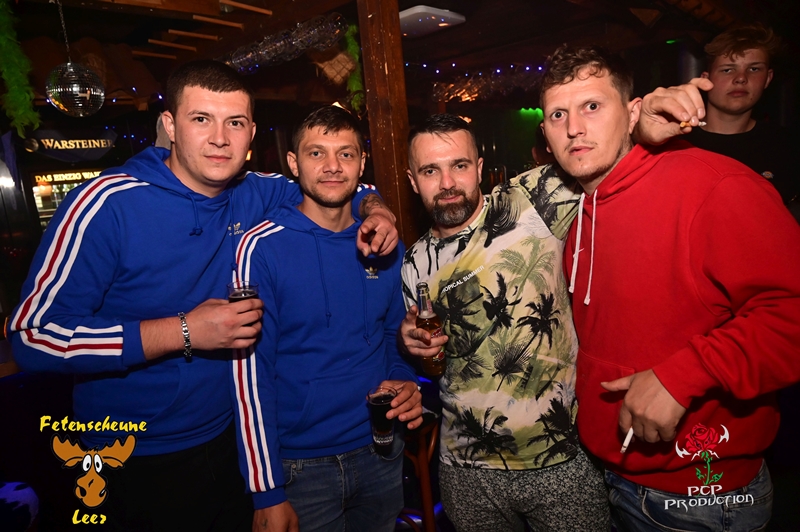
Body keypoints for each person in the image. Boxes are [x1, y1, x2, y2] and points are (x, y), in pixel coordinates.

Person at [5, 60, 398, 531]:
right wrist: (183, 331)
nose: (219, 139)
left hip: (230, 443)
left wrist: (379, 211)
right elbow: (31, 336)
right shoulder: (107, 204)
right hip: (130, 454)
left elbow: (340, 183)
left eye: (235, 123)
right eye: (201, 119)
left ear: (251, 133)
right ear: (170, 125)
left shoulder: (253, 192)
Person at [538, 44, 800, 531]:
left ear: (632, 111)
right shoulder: (578, 209)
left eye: (592, 106)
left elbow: (791, 315)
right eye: (558, 114)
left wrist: (685, 375)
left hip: (703, 496)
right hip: (610, 474)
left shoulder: (715, 186)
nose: (574, 127)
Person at [398, 114, 609, 532]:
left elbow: (605, 155)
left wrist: (648, 116)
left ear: (479, 168)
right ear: (412, 180)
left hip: (559, 455)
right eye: (430, 171)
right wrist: (414, 347)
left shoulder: (530, 201)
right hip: (465, 468)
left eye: (459, 165)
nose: (447, 183)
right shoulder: (414, 263)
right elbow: (437, 364)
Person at [230, 106, 422, 532]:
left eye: (345, 154)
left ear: (361, 163)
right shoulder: (261, 248)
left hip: (381, 450)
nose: (333, 166)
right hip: (301, 468)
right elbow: (250, 375)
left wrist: (404, 379)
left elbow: (395, 334)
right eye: (316, 153)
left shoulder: (384, 242)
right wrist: (267, 491)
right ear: (294, 163)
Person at [638, 24, 798, 214]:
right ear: (707, 78)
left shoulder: (788, 147)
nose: (741, 78)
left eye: (754, 69)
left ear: (768, 78)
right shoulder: (672, 138)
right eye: (727, 70)